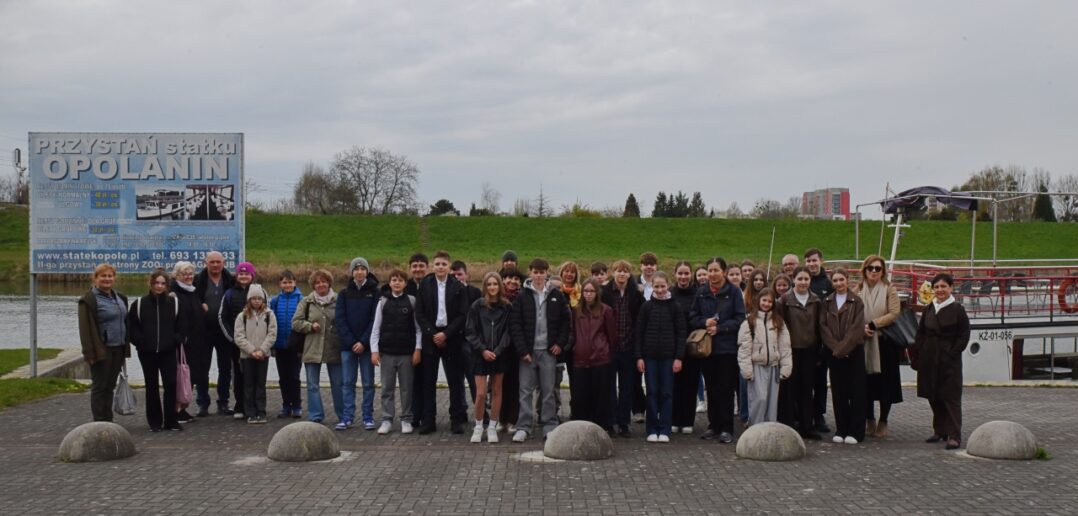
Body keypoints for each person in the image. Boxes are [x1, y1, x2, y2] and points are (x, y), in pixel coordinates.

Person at [510, 258, 572, 442]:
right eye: (535, 272)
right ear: (530, 273)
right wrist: (522, 351)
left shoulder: (556, 295)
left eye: (542, 272)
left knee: (548, 390)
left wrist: (559, 344)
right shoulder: (522, 296)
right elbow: (515, 325)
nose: (538, 275)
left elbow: (565, 322)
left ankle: (549, 424)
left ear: (546, 273)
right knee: (525, 391)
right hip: (528, 353)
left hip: (548, 352)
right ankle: (524, 426)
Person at [689, 257, 746, 444]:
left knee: (726, 388)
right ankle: (713, 425)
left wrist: (720, 328)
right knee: (711, 389)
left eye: (716, 270)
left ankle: (727, 427)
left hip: (727, 348)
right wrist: (704, 323)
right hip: (707, 349)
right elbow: (693, 317)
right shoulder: (701, 293)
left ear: (723, 271)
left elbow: (740, 319)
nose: (712, 274)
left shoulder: (734, 292)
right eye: (710, 270)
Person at [414, 251, 470, 435]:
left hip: (451, 338)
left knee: (455, 382)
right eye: (437, 264)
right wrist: (433, 334)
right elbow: (420, 314)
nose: (440, 267)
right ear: (433, 266)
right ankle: (429, 421)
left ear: (449, 267)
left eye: (443, 264)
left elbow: (462, 315)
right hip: (431, 338)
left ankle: (456, 420)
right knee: (428, 382)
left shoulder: (458, 286)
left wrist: (446, 334)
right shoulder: (425, 285)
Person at [916, 273, 970, 450]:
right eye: (936, 287)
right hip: (930, 357)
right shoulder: (929, 308)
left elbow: (964, 335)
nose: (940, 290)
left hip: (949, 360)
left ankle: (955, 435)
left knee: (951, 398)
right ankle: (939, 430)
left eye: (943, 286)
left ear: (950, 288)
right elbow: (921, 333)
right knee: (933, 395)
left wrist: (952, 352)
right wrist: (918, 354)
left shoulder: (957, 309)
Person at [128, 268, 182, 431]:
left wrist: (175, 340)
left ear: (167, 286)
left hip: (168, 351)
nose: (159, 286)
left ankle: (171, 420)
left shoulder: (174, 304)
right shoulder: (139, 304)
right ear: (151, 284)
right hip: (147, 352)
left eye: (163, 283)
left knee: (171, 384)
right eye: (156, 283)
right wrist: (140, 342)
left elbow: (181, 325)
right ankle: (155, 422)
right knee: (151, 386)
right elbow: (132, 327)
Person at [635, 272, 686, 443]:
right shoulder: (646, 307)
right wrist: (639, 357)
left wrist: (679, 357)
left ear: (668, 286)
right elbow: (639, 333)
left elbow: (681, 333)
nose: (660, 289)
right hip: (649, 357)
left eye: (662, 286)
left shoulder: (675, 307)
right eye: (656, 286)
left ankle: (664, 428)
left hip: (668, 358)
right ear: (652, 287)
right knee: (652, 393)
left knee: (666, 393)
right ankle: (651, 428)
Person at [371, 269, 422, 435]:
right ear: (390, 282)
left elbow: (418, 329)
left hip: (406, 353)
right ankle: (386, 419)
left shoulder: (412, 301)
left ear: (405, 283)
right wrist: (374, 351)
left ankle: (406, 419)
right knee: (387, 388)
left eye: (400, 280)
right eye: (394, 280)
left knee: (407, 388)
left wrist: (417, 350)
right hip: (387, 353)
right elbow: (376, 328)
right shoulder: (383, 302)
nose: (397, 283)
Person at [856, 256, 902, 438]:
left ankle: (883, 420)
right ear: (864, 270)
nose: (873, 271)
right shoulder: (858, 289)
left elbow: (894, 312)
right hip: (864, 341)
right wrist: (861, 328)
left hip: (884, 342)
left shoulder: (889, 289)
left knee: (886, 384)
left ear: (883, 271)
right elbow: (852, 311)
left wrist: (874, 324)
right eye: (870, 268)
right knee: (865, 383)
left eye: (877, 268)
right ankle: (869, 419)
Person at [775, 267, 823, 440]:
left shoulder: (816, 300)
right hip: (790, 351)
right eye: (800, 279)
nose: (803, 282)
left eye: (806, 279)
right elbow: (778, 326)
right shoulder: (784, 300)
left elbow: (819, 327)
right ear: (793, 279)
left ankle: (806, 426)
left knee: (806, 390)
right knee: (788, 390)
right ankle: (787, 426)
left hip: (809, 350)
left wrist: (819, 351)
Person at [465, 272, 512, 443]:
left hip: (499, 355)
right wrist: (482, 350)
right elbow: (470, 331)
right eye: (489, 284)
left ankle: (492, 427)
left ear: (500, 286)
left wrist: (498, 350)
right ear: (485, 286)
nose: (492, 287)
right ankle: (478, 426)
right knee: (481, 393)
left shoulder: (507, 307)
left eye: (495, 284)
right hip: (480, 355)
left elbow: (508, 333)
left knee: (497, 392)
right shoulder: (477, 306)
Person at [820, 268, 866, 444]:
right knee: (838, 392)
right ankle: (841, 428)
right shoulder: (827, 301)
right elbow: (823, 327)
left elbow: (856, 328)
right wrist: (836, 349)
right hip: (834, 353)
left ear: (847, 280)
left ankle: (856, 431)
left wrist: (843, 349)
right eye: (835, 281)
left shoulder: (857, 301)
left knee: (856, 392)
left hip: (853, 352)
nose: (838, 283)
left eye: (841, 280)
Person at [601, 259, 644, 437]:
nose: (622, 274)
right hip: (610, 347)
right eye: (618, 270)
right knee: (609, 387)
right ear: (613, 272)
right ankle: (610, 422)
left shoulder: (636, 293)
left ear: (629, 274)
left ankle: (624, 422)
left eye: (625, 271)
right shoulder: (604, 292)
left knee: (627, 387)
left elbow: (640, 320)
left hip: (629, 347)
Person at [335, 257, 380, 430]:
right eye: (356, 269)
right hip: (348, 346)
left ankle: (368, 416)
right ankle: (347, 417)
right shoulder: (344, 293)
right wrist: (352, 341)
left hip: (367, 347)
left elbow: (375, 320)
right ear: (352, 272)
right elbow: (340, 319)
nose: (359, 272)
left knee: (368, 383)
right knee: (347, 383)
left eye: (362, 269)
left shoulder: (375, 293)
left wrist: (363, 341)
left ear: (367, 271)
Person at [293, 269, 343, 424]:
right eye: (317, 282)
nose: (321, 284)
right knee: (312, 385)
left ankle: (343, 416)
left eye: (324, 281)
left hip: (334, 347)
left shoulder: (339, 300)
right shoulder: (306, 302)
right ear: (313, 285)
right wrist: (309, 326)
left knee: (338, 384)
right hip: (312, 348)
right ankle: (316, 416)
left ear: (329, 283)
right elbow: (295, 322)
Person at [737, 288, 791, 426]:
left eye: (769, 301)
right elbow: (744, 348)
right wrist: (746, 370)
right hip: (757, 366)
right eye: (764, 300)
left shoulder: (778, 322)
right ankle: (756, 428)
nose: (766, 304)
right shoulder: (749, 322)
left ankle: (770, 429)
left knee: (772, 401)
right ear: (758, 301)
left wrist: (786, 367)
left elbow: (784, 346)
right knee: (759, 399)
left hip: (773, 366)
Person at [570, 278, 617, 432]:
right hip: (580, 360)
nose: (588, 294)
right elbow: (573, 333)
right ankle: (580, 427)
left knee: (601, 396)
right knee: (581, 396)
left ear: (597, 293)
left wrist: (607, 352)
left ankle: (603, 426)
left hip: (600, 359)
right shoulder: (576, 311)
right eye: (586, 291)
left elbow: (612, 335)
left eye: (591, 291)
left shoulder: (606, 310)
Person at [193, 251, 234, 416]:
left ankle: (223, 402)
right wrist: (199, 305)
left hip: (224, 331)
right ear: (206, 263)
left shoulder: (230, 280)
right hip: (204, 331)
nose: (215, 265)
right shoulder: (197, 280)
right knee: (202, 369)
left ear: (223, 263)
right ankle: (203, 403)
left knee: (225, 368)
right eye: (212, 262)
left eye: (218, 262)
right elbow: (188, 299)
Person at [233, 284, 277, 424]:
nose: (257, 301)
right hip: (247, 356)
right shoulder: (242, 316)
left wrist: (262, 350)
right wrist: (252, 351)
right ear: (249, 300)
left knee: (260, 384)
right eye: (254, 298)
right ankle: (250, 412)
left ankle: (261, 411)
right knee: (248, 384)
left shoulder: (269, 315)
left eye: (259, 298)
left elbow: (272, 334)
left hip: (263, 355)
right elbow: (239, 336)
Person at [217, 261, 256, 418]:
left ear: (252, 276)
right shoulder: (229, 293)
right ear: (237, 276)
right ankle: (240, 405)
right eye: (241, 274)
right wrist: (232, 338)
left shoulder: (259, 291)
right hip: (236, 344)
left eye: (247, 274)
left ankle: (254, 405)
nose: (244, 276)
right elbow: (222, 317)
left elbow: (267, 316)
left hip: (255, 343)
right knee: (238, 375)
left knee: (254, 375)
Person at [170, 261, 202, 423]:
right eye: (184, 274)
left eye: (190, 273)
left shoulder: (192, 291)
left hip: (195, 342)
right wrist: (178, 336)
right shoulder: (173, 293)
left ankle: (183, 408)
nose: (189, 277)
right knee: (180, 375)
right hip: (180, 343)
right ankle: (175, 410)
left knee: (191, 376)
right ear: (176, 276)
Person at [804, 248, 833, 434]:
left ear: (821, 261)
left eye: (814, 260)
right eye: (808, 261)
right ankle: (804, 414)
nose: (811, 264)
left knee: (820, 381)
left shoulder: (828, 284)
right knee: (805, 380)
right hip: (804, 339)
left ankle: (819, 415)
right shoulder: (800, 280)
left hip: (822, 340)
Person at [670, 260, 700, 434]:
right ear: (675, 275)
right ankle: (674, 418)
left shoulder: (698, 294)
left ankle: (687, 419)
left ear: (691, 274)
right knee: (674, 384)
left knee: (690, 383)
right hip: (673, 346)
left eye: (686, 273)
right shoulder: (669, 294)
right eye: (680, 273)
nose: (683, 277)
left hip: (693, 345)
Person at [270, 270, 304, 419]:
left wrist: (302, 347)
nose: (287, 285)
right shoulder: (275, 301)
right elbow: (271, 324)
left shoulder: (302, 300)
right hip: (280, 345)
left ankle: (296, 405)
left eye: (290, 282)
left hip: (295, 347)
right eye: (284, 282)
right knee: (283, 377)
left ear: (295, 283)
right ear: (280, 284)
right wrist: (272, 346)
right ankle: (286, 405)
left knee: (294, 377)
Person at [498, 266, 525, 433]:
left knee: (516, 385)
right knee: (499, 385)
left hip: (517, 348)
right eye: (508, 278)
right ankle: (501, 419)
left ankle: (514, 419)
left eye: (516, 278)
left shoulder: (523, 298)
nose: (512, 281)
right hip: (500, 348)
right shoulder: (496, 298)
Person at [452, 260, 482, 403]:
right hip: (452, 341)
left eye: (459, 274)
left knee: (473, 378)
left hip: (470, 342)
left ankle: (481, 413)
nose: (457, 277)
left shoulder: (475, 292)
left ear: (467, 275)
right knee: (455, 380)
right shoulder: (447, 292)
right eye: (453, 275)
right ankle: (459, 412)